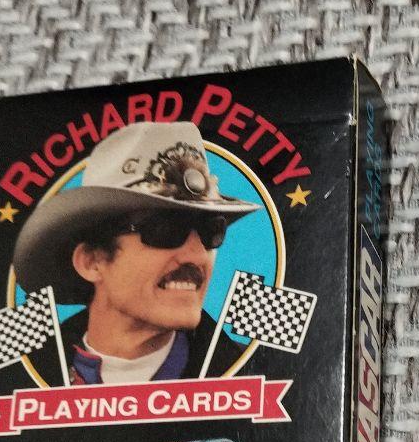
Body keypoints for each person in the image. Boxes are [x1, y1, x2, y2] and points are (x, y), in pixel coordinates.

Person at [13, 121, 259, 385]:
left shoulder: (248, 372)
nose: (197, 256)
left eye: (211, 231)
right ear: (92, 262)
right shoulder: (23, 373)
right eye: (166, 230)